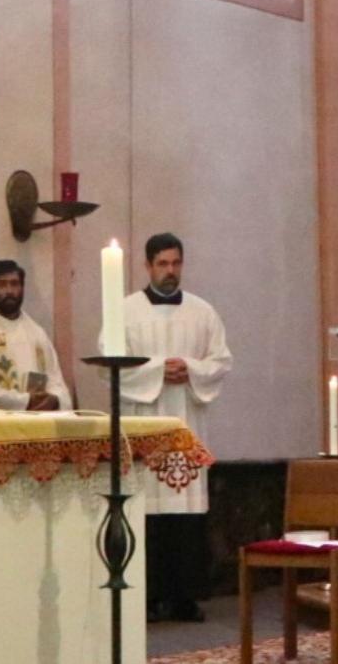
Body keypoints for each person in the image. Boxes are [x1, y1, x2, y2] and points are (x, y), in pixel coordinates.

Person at [120, 233, 232, 623]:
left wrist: (191, 368)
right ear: (147, 266)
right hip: (145, 426)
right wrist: (156, 369)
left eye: (176, 263)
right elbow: (111, 365)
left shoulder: (203, 312)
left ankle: (185, 596)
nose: (170, 271)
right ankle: (148, 597)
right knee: (147, 510)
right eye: (162, 264)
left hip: (186, 422)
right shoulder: (125, 312)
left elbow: (221, 360)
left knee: (185, 513)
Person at [0, 259, 69, 412]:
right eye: (2, 284)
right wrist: (25, 402)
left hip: (39, 424)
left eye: (15, 284)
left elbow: (56, 381)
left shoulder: (37, 334)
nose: (9, 291)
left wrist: (54, 399)